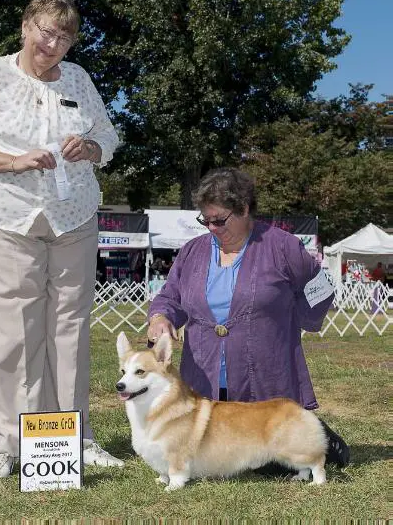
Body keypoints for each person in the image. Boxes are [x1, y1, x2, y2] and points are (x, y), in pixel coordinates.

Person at [0, 0, 123, 479]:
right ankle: (7, 443)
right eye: (47, 31)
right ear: (26, 26)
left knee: (71, 332)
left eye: (64, 37)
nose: (54, 43)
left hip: (74, 218)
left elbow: (110, 138)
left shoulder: (80, 80)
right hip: (5, 217)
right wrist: (12, 161)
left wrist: (91, 146)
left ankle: (77, 439)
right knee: (14, 337)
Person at [147, 167, 349, 472]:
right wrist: (160, 316)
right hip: (203, 377)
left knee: (274, 463)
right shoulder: (192, 252)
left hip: (266, 375)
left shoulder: (282, 246)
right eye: (205, 220)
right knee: (206, 462)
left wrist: (297, 319)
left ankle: (318, 437)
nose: (212, 227)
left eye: (219, 220)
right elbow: (169, 296)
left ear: (244, 209)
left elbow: (320, 286)